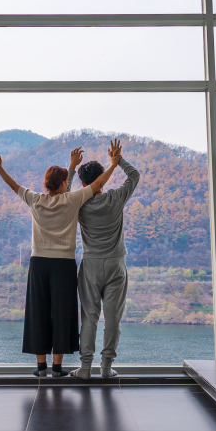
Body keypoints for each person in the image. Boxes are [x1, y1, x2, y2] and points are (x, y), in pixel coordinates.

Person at [0, 147, 117, 377]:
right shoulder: (72, 200)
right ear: (64, 184)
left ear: (47, 183)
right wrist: (113, 164)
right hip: (63, 264)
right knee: (62, 312)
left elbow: (13, 185)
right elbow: (98, 184)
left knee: (38, 312)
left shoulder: (35, 200)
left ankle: (41, 367)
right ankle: (57, 368)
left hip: (38, 263)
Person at [66, 139, 139, 379]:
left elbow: (63, 195)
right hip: (116, 264)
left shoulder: (78, 203)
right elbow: (135, 176)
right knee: (113, 319)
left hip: (91, 266)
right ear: (103, 180)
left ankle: (85, 368)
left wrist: (71, 167)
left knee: (90, 317)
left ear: (83, 183)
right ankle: (106, 368)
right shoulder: (115, 198)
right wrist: (117, 161)